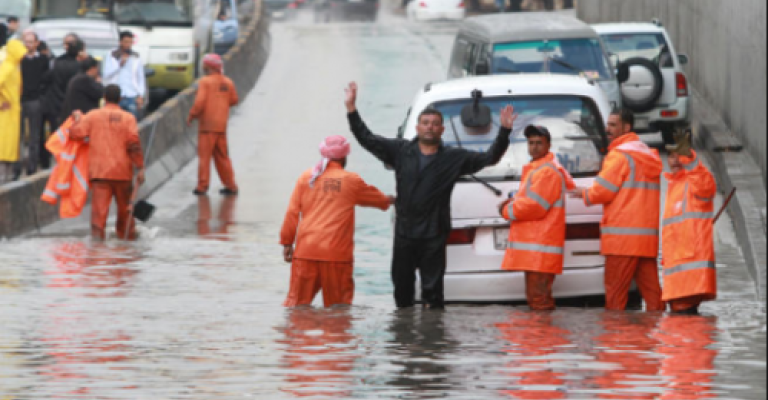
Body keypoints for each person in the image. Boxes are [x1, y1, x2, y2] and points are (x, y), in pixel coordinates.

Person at [344, 82, 514, 309]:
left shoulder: (454, 158)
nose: (430, 127)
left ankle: (432, 339)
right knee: (402, 290)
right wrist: (351, 109)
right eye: (425, 123)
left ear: (442, 130)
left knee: (433, 293)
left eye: (435, 124)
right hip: (405, 232)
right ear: (417, 127)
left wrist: (503, 132)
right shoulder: (401, 151)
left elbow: (489, 158)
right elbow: (367, 139)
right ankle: (402, 337)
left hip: (434, 234)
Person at [570, 108, 665, 312]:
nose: (608, 129)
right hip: (645, 240)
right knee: (654, 298)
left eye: (613, 125)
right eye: (608, 124)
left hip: (622, 240)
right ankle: (657, 338)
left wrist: (583, 193)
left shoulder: (619, 156)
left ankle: (615, 341)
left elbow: (602, 191)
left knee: (615, 299)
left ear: (626, 127)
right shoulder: (648, 156)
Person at [280, 135, 392, 307]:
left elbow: (292, 212)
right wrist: (392, 200)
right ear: (345, 156)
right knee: (338, 310)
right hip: (336, 255)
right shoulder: (351, 181)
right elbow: (380, 201)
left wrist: (287, 242)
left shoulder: (307, 178)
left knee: (297, 308)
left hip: (305, 253)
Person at [498, 125, 575, 311]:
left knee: (539, 301)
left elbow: (535, 207)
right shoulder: (539, 169)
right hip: (538, 250)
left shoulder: (546, 171)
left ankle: (541, 337)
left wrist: (507, 210)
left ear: (548, 145)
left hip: (540, 249)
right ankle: (541, 337)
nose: (534, 147)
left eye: (539, 143)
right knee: (539, 300)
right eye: (531, 143)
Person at [68, 84, 145, 241]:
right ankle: (126, 250)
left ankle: (97, 251)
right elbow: (134, 144)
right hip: (123, 174)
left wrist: (76, 118)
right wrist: (140, 167)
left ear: (104, 98)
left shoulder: (92, 116)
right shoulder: (128, 118)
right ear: (120, 99)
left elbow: (75, 134)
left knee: (98, 218)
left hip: (100, 173)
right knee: (126, 217)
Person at [661, 130, 717, 314]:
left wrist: (689, 158)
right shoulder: (674, 185)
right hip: (679, 280)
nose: (675, 160)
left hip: (689, 280)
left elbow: (704, 184)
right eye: (671, 156)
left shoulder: (693, 181)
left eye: (679, 156)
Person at [187, 53, 239, 196]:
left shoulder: (205, 82)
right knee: (223, 157)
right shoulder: (228, 82)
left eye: (204, 63)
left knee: (204, 157)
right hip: (221, 126)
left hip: (207, 126)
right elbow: (234, 99)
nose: (202, 66)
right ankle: (231, 185)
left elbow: (199, 103)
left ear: (208, 66)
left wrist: (192, 115)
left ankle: (202, 186)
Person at [40, 33, 83, 169]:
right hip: (70, 107)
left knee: (54, 136)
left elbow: (45, 79)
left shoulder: (56, 63)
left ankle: (49, 163)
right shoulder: (78, 67)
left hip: (54, 104)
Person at [12, 31, 50, 179]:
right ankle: (16, 168)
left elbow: (47, 79)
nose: (27, 45)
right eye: (25, 42)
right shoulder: (18, 60)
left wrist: (41, 97)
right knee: (18, 136)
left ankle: (31, 167)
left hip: (35, 100)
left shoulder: (43, 60)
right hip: (19, 100)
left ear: (36, 43)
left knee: (34, 136)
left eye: (30, 42)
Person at [0, 40, 27, 183]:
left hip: (13, 112)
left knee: (10, 144)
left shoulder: (14, 67)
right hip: (6, 113)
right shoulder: (8, 67)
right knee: (4, 144)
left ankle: (7, 176)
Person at [103, 31, 146, 119]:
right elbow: (106, 74)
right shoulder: (112, 55)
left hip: (131, 95)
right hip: (116, 95)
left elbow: (140, 78)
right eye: (126, 42)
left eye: (130, 42)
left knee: (131, 122)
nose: (128, 45)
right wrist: (120, 64)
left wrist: (140, 95)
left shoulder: (135, 56)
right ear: (120, 42)